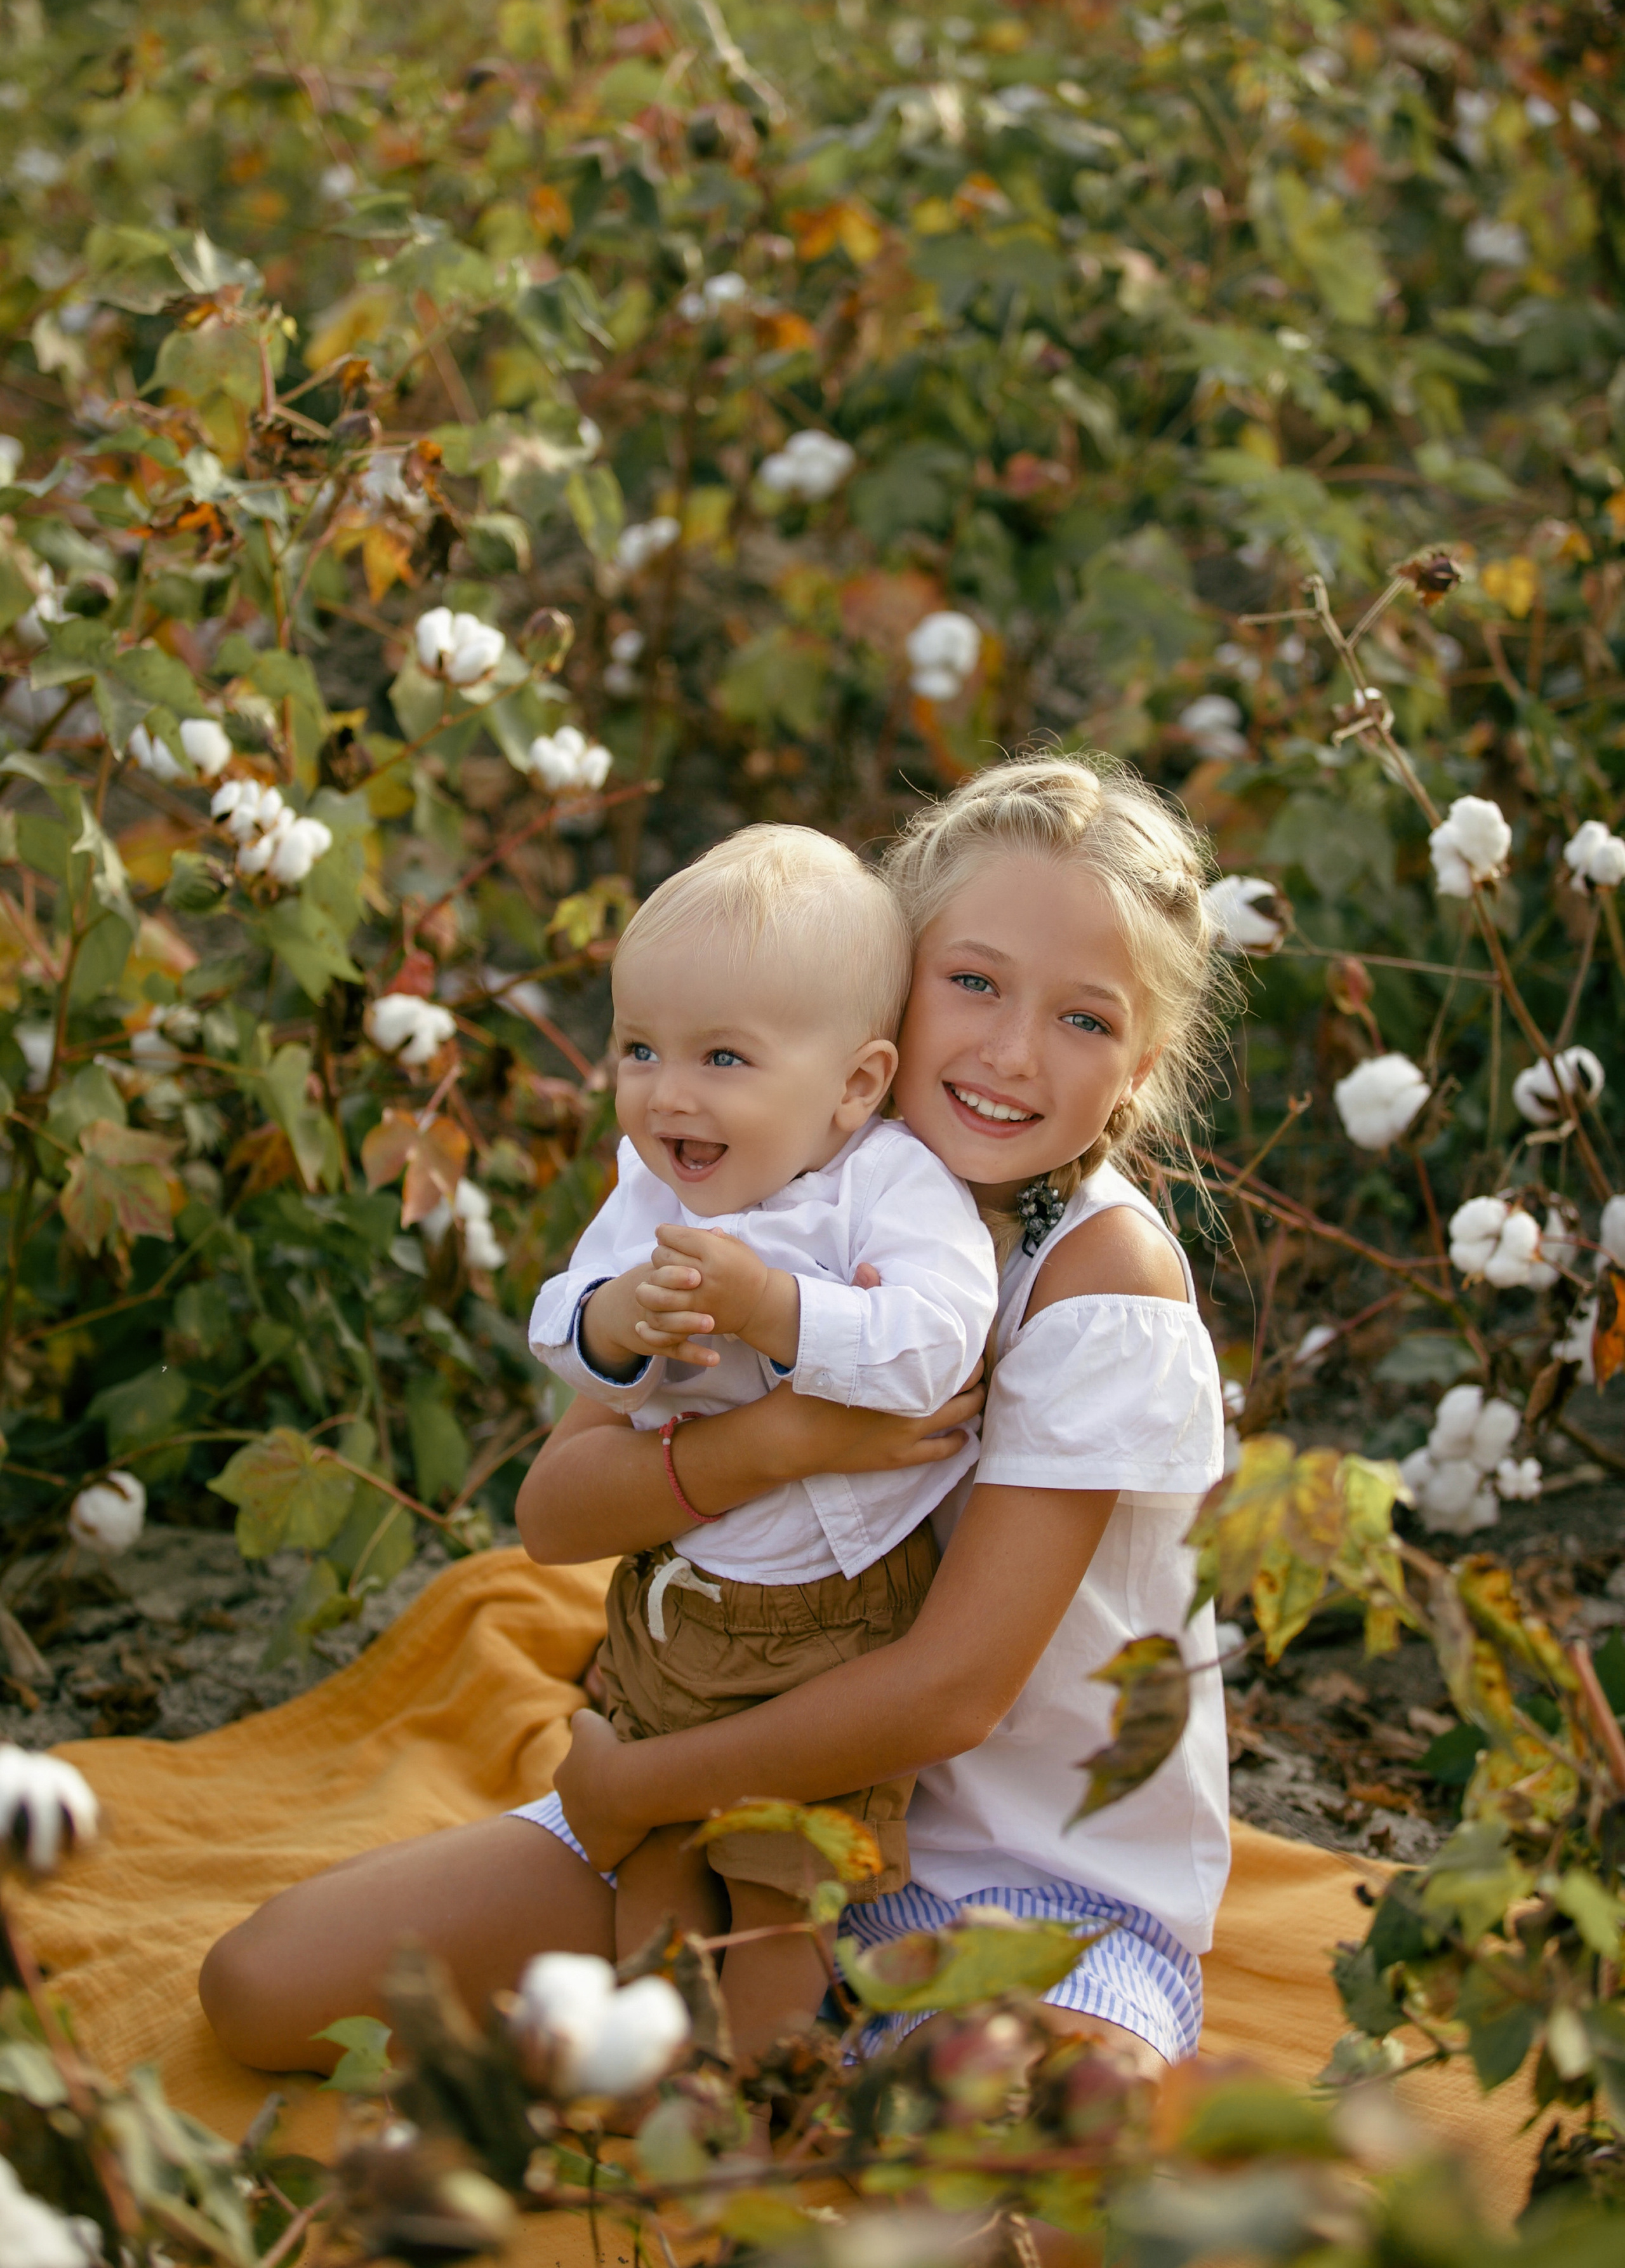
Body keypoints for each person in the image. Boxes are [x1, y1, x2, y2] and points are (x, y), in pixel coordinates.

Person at [199, 754, 1230, 2082]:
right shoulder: (757, 1177)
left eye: (1083, 1020)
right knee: (264, 1988)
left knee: (1014, 2125)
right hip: (721, 1795)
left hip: (1017, 1884)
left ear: (1140, 1068)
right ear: (884, 994)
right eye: (972, 982)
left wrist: (634, 1786)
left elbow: (954, 1692)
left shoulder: (1100, 1281)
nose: (1010, 1052)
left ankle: (799, 2057)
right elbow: (554, 1511)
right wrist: (784, 1440)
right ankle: (759, 2043)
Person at [526, 823, 998, 2061]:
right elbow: (559, 1324)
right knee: (656, 1874)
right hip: (671, 1606)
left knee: (778, 1898)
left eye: (723, 1057)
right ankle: (655, 2080)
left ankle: (764, 2097)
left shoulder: (886, 1189)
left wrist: (774, 1310)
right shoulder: (653, 1191)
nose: (668, 1094)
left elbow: (934, 1346)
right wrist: (612, 1326)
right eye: (640, 1049)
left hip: (823, 1630)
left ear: (853, 1085)